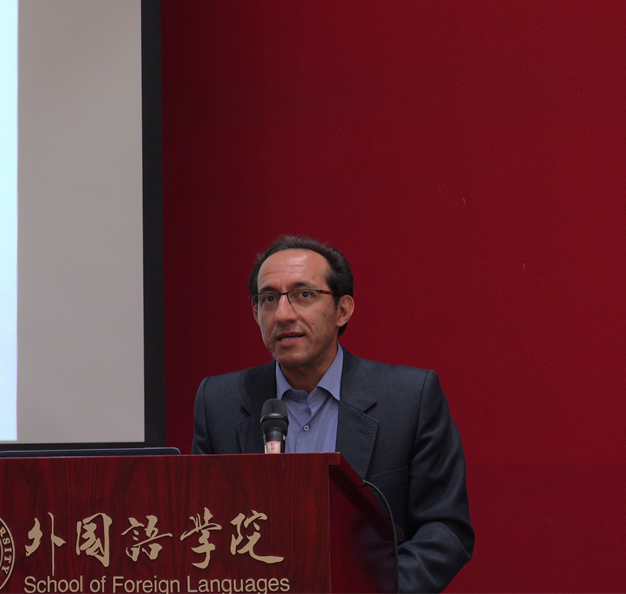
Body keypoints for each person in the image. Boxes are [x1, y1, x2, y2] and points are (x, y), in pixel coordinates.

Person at [192, 235, 473, 593]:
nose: (283, 314)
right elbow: (203, 527)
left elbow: (445, 529)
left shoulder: (409, 399)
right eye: (269, 299)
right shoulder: (219, 402)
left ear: (343, 310)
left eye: (303, 295)